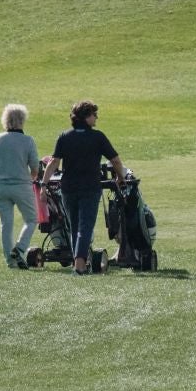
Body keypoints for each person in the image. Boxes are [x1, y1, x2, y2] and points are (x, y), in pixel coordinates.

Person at [47, 99, 125, 275]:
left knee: (75, 227)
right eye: (94, 114)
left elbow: (54, 162)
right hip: (90, 188)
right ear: (86, 117)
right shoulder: (97, 137)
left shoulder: (65, 137)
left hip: (68, 188)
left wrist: (44, 183)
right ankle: (80, 265)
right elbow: (115, 160)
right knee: (85, 226)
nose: (96, 118)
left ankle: (79, 262)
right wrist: (120, 177)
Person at [0, 103, 39, 268]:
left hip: (0, 186)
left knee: (6, 225)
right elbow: (35, 167)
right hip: (21, 186)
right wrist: (30, 179)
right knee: (32, 219)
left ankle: (11, 262)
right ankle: (20, 247)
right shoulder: (28, 140)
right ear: (22, 120)